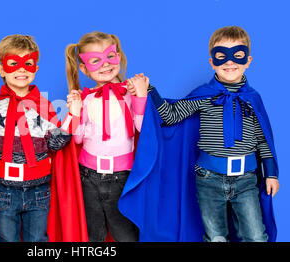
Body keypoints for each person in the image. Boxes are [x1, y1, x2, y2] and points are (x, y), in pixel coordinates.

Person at [120, 26, 279, 242]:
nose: (229, 63)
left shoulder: (252, 98)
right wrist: (150, 90)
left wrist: (271, 173)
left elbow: (263, 139)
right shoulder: (204, 95)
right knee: (215, 236)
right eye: (222, 56)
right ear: (212, 61)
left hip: (245, 180)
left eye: (237, 56)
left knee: (255, 236)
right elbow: (171, 116)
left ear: (248, 60)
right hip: (209, 178)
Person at [0, 34, 84, 242]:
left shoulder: (43, 106)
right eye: (13, 64)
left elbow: (55, 144)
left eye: (28, 64)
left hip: (38, 190)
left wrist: (73, 116)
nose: (21, 69)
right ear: (1, 69)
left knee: (38, 240)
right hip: (3, 190)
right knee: (5, 239)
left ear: (35, 68)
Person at [65, 31, 148, 242]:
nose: (105, 65)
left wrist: (141, 95)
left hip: (122, 175)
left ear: (118, 56)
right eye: (95, 61)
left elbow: (142, 128)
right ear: (83, 68)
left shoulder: (129, 94)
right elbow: (77, 139)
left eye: (110, 57)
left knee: (126, 235)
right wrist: (75, 111)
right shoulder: (86, 98)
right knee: (94, 234)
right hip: (88, 176)